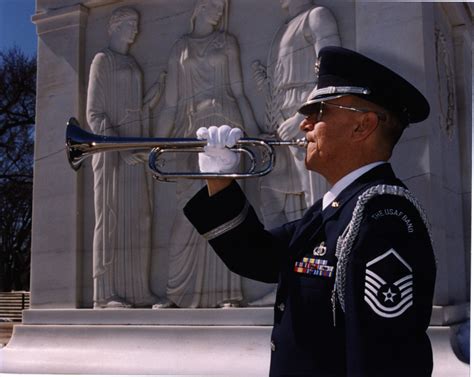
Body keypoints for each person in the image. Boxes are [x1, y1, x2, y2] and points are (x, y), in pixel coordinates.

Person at [184, 46, 436, 376]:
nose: (304, 125)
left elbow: (382, 361)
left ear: (363, 126)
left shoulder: (382, 218)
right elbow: (258, 257)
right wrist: (220, 181)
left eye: (318, 112)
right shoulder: (336, 207)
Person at [153, 0, 259, 308]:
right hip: (190, 132)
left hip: (225, 127)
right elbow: (171, 105)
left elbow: (238, 91)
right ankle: (176, 294)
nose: (219, 12)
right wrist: (156, 144)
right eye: (213, 6)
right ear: (199, 7)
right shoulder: (180, 48)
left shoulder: (227, 42)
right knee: (188, 212)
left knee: (226, 205)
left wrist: (255, 134)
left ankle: (229, 293)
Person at [250, 0, 340, 306]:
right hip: (283, 124)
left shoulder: (317, 16)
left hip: (306, 123)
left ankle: (318, 280)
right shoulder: (282, 29)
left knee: (313, 199)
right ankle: (284, 276)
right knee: (272, 193)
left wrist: (303, 116)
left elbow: (332, 74)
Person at [87, 7, 161, 308]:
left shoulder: (131, 62)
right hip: (112, 155)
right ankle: (104, 294)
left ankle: (138, 289)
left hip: (134, 151)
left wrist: (151, 101)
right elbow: (95, 113)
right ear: (114, 26)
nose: (135, 31)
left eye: (137, 24)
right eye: (130, 24)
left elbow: (134, 110)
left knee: (140, 219)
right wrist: (121, 148)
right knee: (111, 220)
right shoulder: (101, 61)